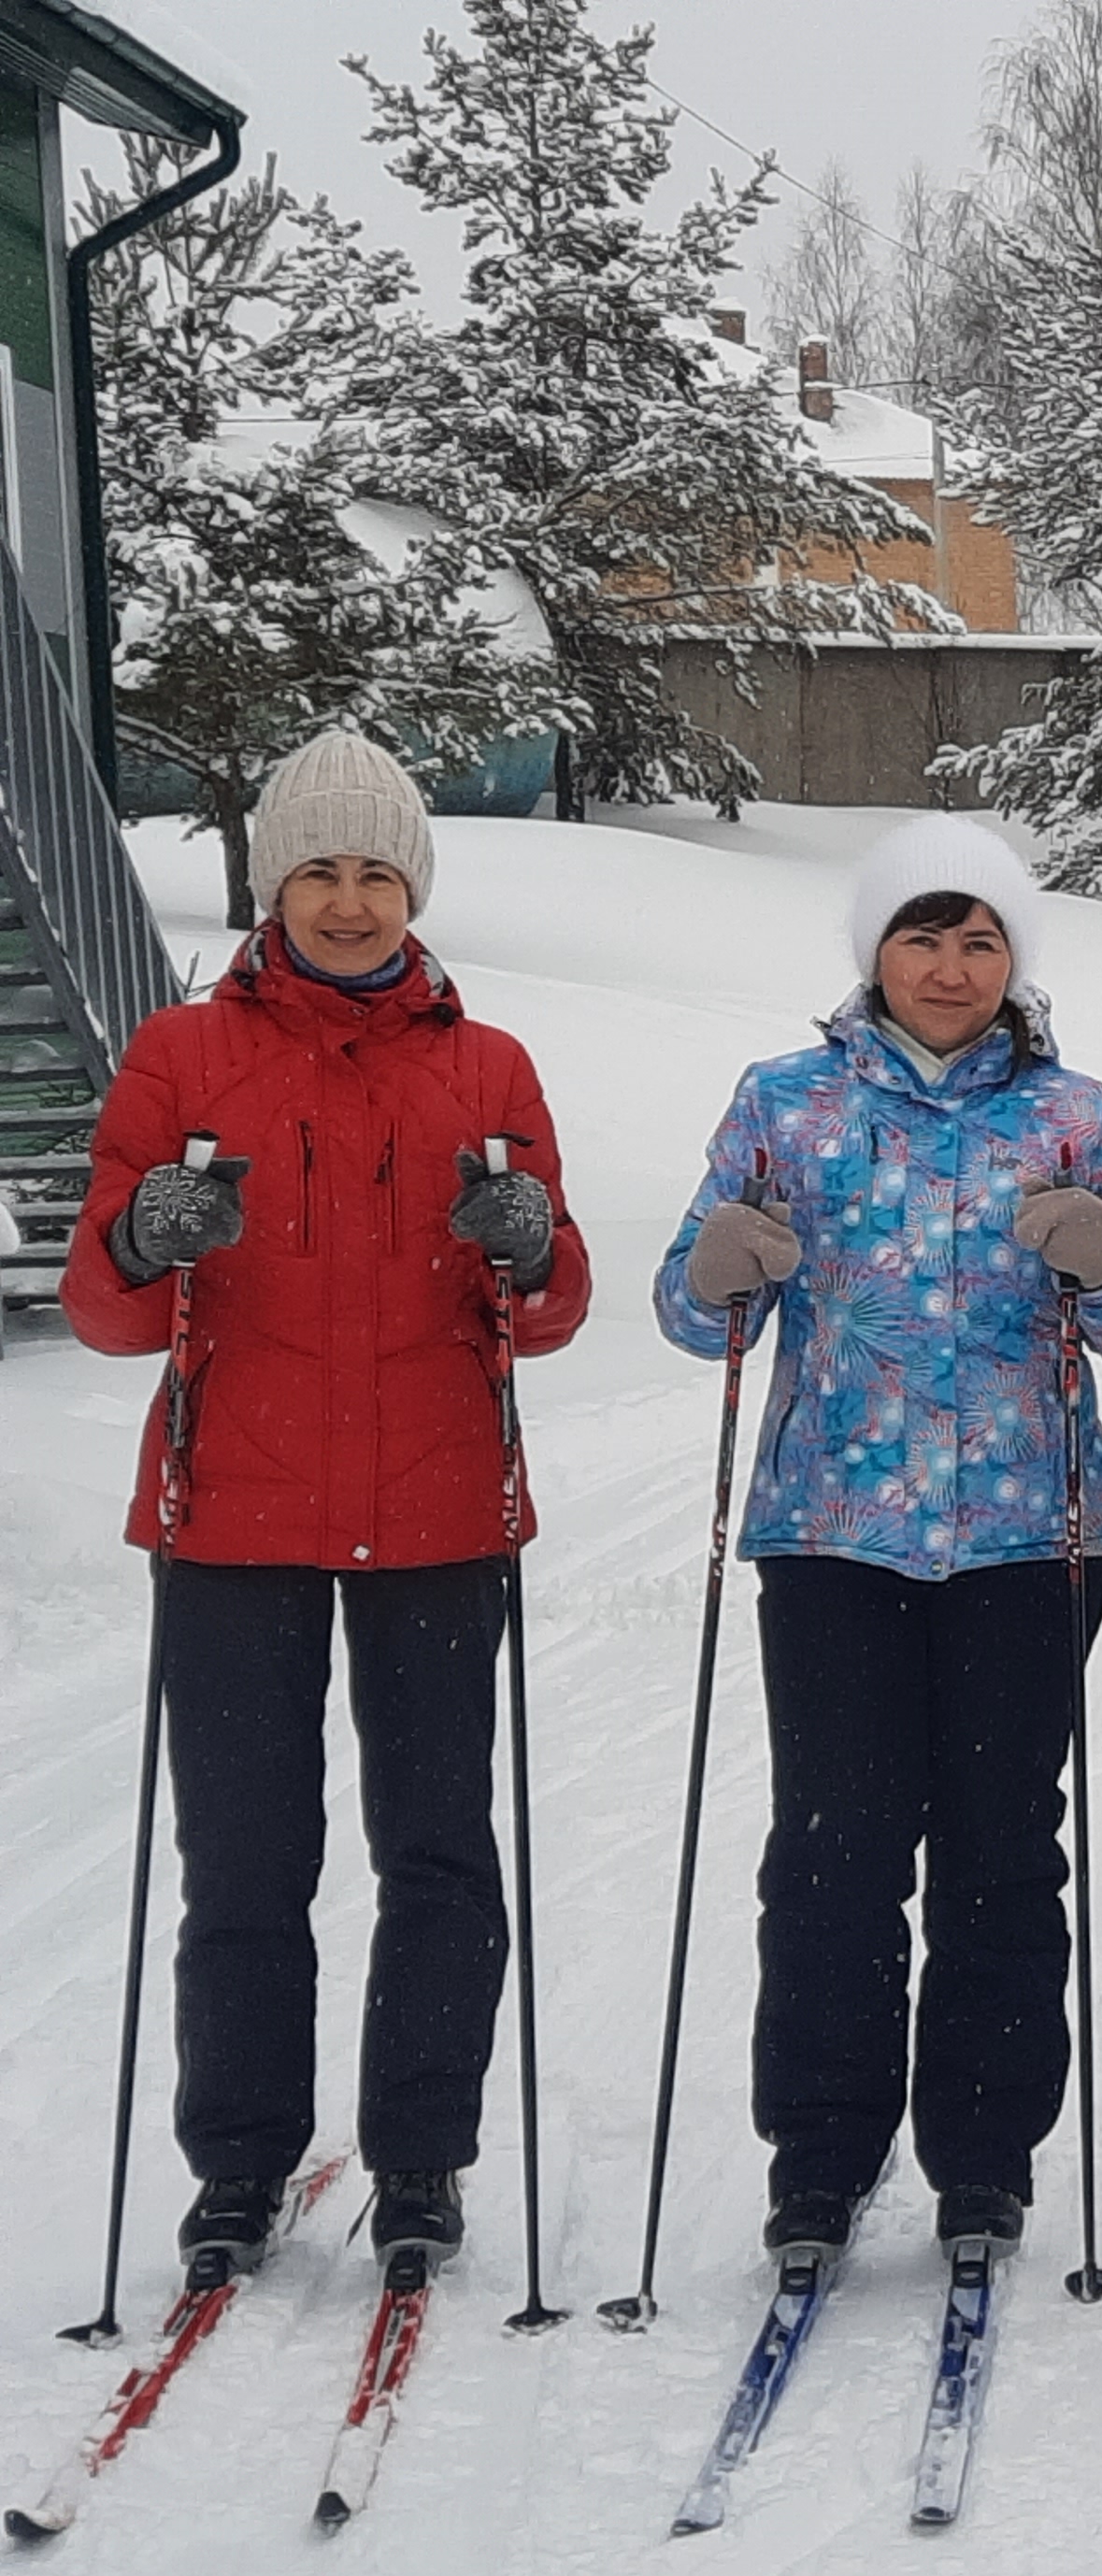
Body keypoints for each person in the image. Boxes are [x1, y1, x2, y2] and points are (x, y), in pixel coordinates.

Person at [62, 730, 594, 2284]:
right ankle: (239, 2166)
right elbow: (103, 1307)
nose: (349, 903)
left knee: (438, 1855)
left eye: (375, 873)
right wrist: (146, 1235)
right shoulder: (183, 1057)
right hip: (231, 1517)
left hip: (439, 1512)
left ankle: (421, 2158)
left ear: (413, 888)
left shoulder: (487, 1065)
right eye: (318, 872)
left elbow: (552, 1306)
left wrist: (527, 1244)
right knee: (244, 1864)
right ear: (271, 885)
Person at [654, 813, 1102, 2261]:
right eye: (922, 937)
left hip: (1032, 1536)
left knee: (1003, 1850)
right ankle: (821, 2155)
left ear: (1015, 959)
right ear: (875, 953)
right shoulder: (786, 1103)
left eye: (979, 939)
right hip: (833, 1536)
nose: (949, 967)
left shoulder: (1077, 1115)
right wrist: (718, 1271)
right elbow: (694, 1314)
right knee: (836, 1850)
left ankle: (984, 2157)